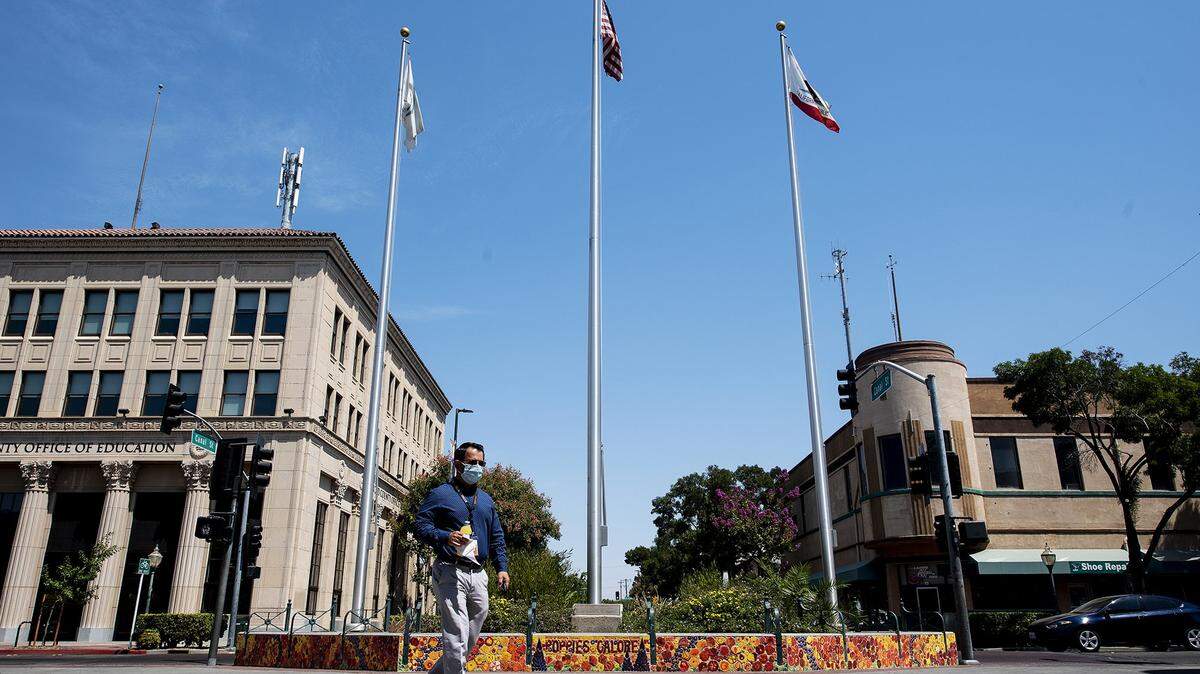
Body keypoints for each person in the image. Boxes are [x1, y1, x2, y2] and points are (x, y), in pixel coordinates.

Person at [414, 442, 509, 674]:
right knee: (456, 630)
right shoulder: (440, 494)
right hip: (450, 569)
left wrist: (502, 567)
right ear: (458, 465)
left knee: (476, 620)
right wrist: (445, 536)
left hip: (478, 572)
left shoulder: (486, 500)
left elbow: (496, 535)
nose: (477, 467)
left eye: (481, 463)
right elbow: (420, 526)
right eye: (472, 463)